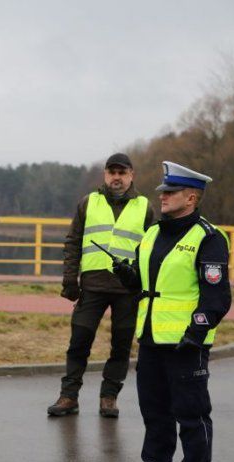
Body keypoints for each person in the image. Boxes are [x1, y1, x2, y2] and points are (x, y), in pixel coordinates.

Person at [115, 161, 231, 462]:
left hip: (186, 343)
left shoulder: (208, 238)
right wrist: (127, 275)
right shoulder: (151, 234)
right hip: (150, 339)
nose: (162, 197)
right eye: (162, 192)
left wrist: (195, 334)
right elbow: (145, 284)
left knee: (192, 414)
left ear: (192, 197)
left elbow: (217, 297)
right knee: (154, 410)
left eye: (170, 192)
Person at [48, 153, 155, 418]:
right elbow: (73, 243)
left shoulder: (145, 207)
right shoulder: (88, 203)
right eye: (112, 172)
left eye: (122, 173)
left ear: (131, 175)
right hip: (92, 286)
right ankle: (69, 396)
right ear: (105, 175)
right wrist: (69, 280)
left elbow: (152, 250)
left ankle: (109, 397)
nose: (116, 178)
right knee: (79, 342)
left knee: (121, 345)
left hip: (127, 290)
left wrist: (145, 285)